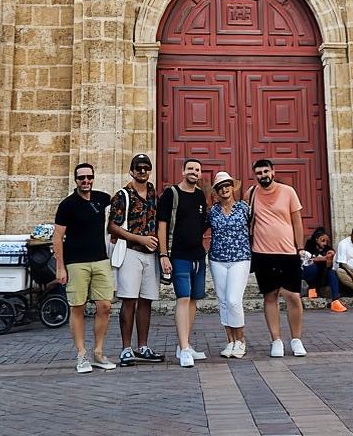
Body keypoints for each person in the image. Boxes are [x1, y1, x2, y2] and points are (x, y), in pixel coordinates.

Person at [52, 162, 116, 374]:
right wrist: (60, 267)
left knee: (105, 306)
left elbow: (122, 202)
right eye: (81, 178)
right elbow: (58, 237)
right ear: (75, 180)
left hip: (100, 260)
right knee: (77, 307)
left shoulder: (102, 198)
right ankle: (81, 355)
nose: (86, 181)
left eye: (89, 177)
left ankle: (98, 353)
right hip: (76, 263)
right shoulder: (67, 205)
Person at [108, 153, 164, 366]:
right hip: (131, 252)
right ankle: (125, 349)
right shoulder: (122, 195)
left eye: (146, 168)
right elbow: (112, 226)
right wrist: (139, 238)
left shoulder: (152, 193)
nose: (142, 171)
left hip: (151, 255)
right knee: (129, 300)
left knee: (146, 301)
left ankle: (143, 346)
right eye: (138, 168)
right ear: (131, 171)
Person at [248, 158, 308, 357]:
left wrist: (300, 248)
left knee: (293, 296)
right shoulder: (251, 194)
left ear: (273, 172)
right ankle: (276, 340)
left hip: (287, 252)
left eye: (266, 171)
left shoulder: (288, 192)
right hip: (262, 253)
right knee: (270, 296)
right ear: (255, 175)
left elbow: (297, 222)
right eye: (259, 173)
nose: (263, 176)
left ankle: (296, 339)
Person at [158, 157, 210, 368]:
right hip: (178, 255)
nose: (194, 172)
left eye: (197, 170)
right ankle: (185, 349)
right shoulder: (171, 194)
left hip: (198, 255)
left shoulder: (200, 195)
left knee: (194, 301)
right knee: (183, 298)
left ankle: (184, 345)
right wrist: (163, 254)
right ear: (182, 171)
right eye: (190, 168)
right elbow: (162, 225)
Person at [208, 171, 252, 358]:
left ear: (233, 187)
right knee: (224, 301)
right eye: (220, 187)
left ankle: (240, 340)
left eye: (227, 185)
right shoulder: (213, 211)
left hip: (240, 258)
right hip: (217, 259)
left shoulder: (244, 208)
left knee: (234, 300)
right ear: (216, 192)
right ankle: (230, 341)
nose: (224, 189)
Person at [302, 227, 346, 311]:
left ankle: (335, 301)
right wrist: (323, 259)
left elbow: (331, 265)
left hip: (322, 277)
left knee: (332, 273)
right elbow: (307, 260)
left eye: (327, 241)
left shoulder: (327, 249)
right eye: (322, 241)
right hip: (311, 278)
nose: (325, 243)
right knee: (312, 267)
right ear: (316, 239)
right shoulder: (309, 247)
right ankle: (312, 289)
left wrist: (331, 257)